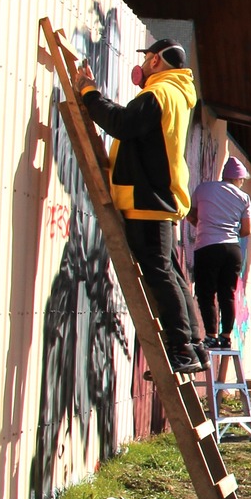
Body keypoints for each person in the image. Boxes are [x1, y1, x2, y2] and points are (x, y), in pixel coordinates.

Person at [74, 38, 204, 373]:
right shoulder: (174, 93)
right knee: (169, 272)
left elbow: (122, 124)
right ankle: (194, 346)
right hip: (157, 198)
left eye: (146, 59)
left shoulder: (158, 93)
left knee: (160, 272)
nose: (143, 65)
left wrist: (90, 94)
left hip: (148, 199)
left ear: (157, 61)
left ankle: (182, 349)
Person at [188, 156, 251, 349]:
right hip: (232, 249)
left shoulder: (203, 189)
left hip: (207, 246)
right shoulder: (244, 198)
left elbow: (192, 215)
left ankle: (210, 335)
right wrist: (232, 232)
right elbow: (247, 230)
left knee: (206, 292)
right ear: (238, 179)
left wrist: (203, 226)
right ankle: (226, 337)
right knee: (228, 293)